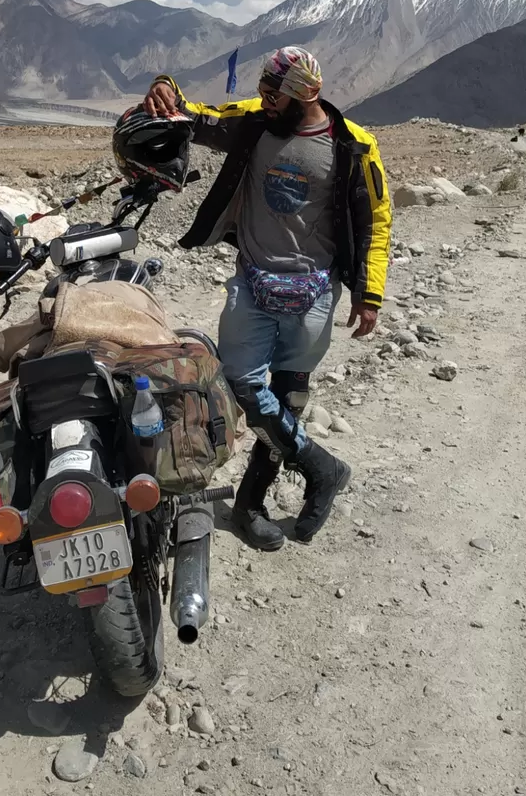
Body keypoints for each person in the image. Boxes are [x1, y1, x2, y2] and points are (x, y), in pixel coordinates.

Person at [142, 46, 391, 551]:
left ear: (307, 94)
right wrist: (166, 87)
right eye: (262, 91)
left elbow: (376, 220)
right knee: (241, 386)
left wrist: (369, 293)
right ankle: (321, 467)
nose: (265, 101)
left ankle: (250, 506)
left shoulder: (353, 146)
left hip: (315, 292)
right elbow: (194, 116)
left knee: (289, 400)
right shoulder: (254, 122)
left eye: (274, 95)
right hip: (253, 283)